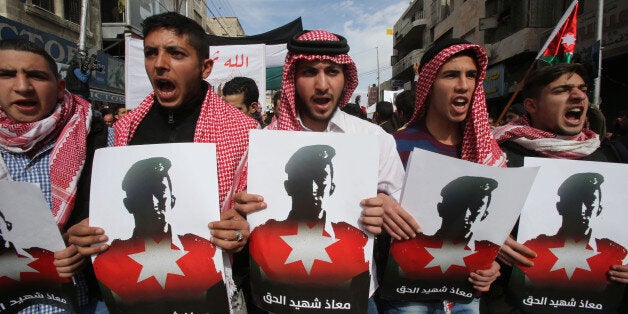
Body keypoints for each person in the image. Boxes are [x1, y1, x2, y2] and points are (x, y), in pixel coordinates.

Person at [68, 11, 258, 311]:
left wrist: (245, 226)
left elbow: (261, 213)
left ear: (205, 67)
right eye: (150, 53)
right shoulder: (121, 132)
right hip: (133, 290)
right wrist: (88, 231)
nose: (159, 64)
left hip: (212, 292)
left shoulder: (245, 133)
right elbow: (107, 210)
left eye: (176, 53)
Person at [232, 30, 405, 313]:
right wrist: (243, 212)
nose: (322, 85)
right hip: (278, 298)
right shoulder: (266, 143)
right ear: (293, 79)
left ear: (345, 78)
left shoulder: (374, 139)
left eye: (332, 72)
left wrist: (388, 209)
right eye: (310, 72)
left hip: (353, 295)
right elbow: (240, 219)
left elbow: (403, 216)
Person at [486, 63, 628, 312]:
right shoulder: (496, 158)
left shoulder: (610, 159)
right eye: (562, 90)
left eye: (582, 89)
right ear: (531, 106)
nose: (578, 96)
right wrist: (490, 241)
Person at [382, 38, 504, 313]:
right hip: (407, 295)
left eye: (471, 75)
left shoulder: (488, 154)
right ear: (428, 85)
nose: (463, 85)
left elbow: (492, 229)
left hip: (466, 294)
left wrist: (492, 265)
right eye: (451, 75)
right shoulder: (394, 145)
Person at [0, 38, 108, 312]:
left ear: (60, 87)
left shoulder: (100, 139)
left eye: (36, 76)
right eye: (6, 75)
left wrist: (93, 231)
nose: (22, 87)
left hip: (86, 301)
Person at [91, 157, 229, 313]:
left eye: (160, 192)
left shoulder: (206, 251)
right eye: (143, 195)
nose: (154, 202)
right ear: (128, 204)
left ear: (172, 200)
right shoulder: (110, 259)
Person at [248, 145, 372, 312]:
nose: (314, 188)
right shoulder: (263, 235)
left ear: (332, 188)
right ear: (288, 186)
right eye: (304, 180)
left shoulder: (356, 239)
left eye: (321, 179)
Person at [383, 177, 500, 301]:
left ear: (485, 214)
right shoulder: (409, 246)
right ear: (441, 208)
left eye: (477, 206)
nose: (467, 214)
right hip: (410, 300)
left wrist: (488, 269)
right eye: (461, 204)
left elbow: (490, 270)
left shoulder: (485, 248)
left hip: (467, 299)